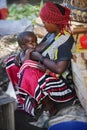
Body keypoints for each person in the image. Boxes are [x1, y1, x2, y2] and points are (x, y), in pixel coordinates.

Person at [6, 2, 78, 130]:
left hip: (60, 81)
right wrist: (22, 53)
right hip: (45, 68)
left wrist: (40, 58)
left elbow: (59, 69)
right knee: (11, 62)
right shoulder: (52, 34)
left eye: (45, 22)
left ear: (54, 22)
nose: (44, 25)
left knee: (27, 71)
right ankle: (27, 99)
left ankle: (50, 106)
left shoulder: (65, 40)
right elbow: (37, 48)